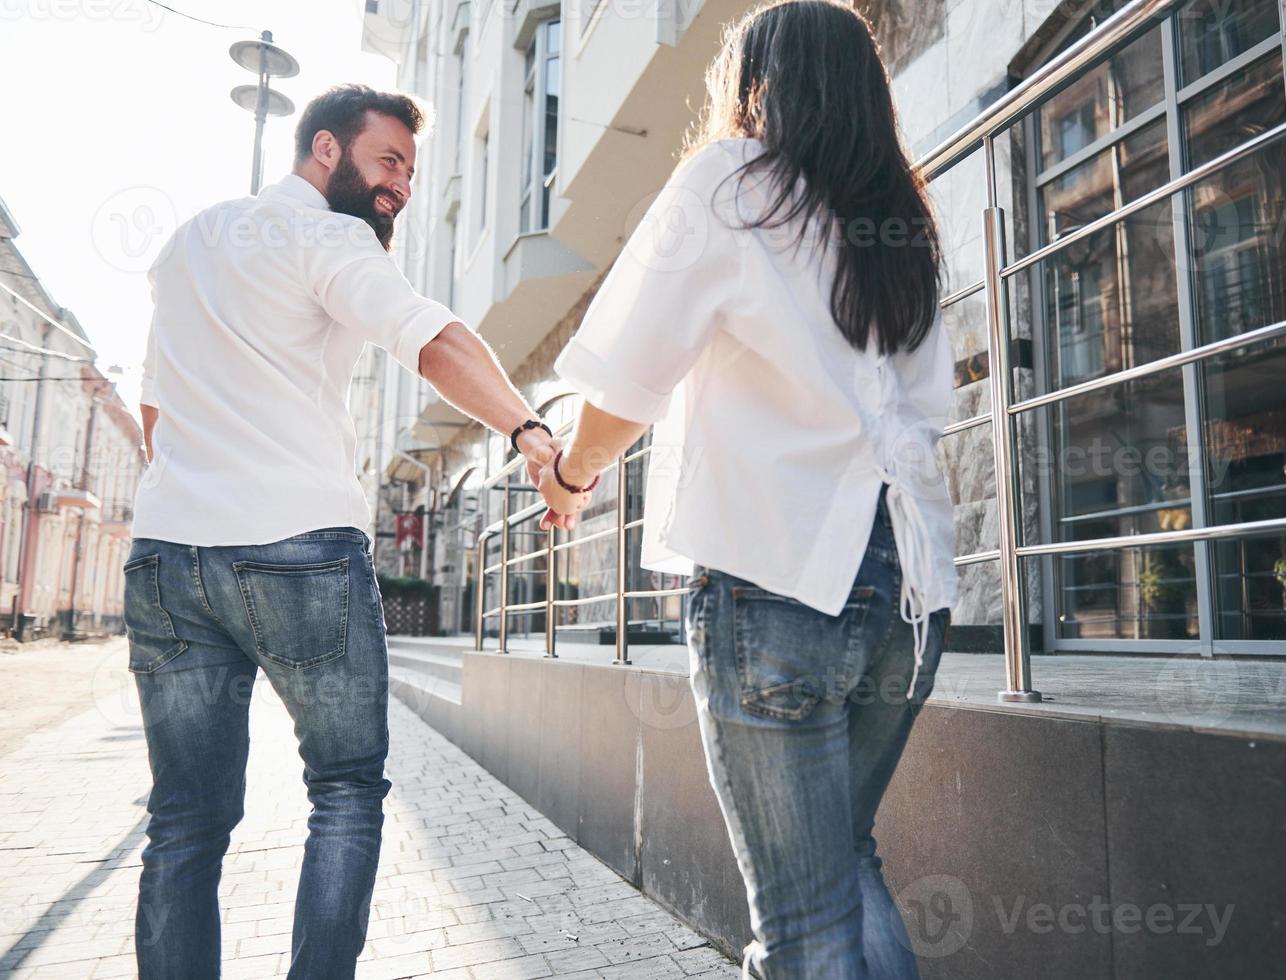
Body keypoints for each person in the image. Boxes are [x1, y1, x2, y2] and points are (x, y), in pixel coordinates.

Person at [539, 2, 957, 977]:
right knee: (843, 862)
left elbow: (632, 375)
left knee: (803, 926)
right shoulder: (903, 219)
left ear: (756, 83)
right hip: (909, 591)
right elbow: (926, 400)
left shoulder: (732, 179)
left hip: (776, 578)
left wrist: (569, 471)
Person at [125, 84, 573, 979]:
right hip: (299, 551)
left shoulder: (189, 243)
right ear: (324, 149)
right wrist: (528, 431)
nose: (400, 184)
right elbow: (431, 339)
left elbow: (152, 409)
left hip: (169, 555)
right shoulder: (331, 237)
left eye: (410, 168)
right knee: (343, 792)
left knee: (183, 819)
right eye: (389, 160)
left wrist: (196, 486)